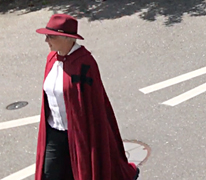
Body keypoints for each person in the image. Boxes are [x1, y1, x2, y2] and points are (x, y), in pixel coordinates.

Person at [35, 13, 139, 180]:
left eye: (50, 36)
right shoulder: (51, 59)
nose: (46, 40)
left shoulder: (85, 63)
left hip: (79, 133)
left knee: (82, 174)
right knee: (49, 175)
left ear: (67, 38)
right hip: (54, 131)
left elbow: (95, 105)